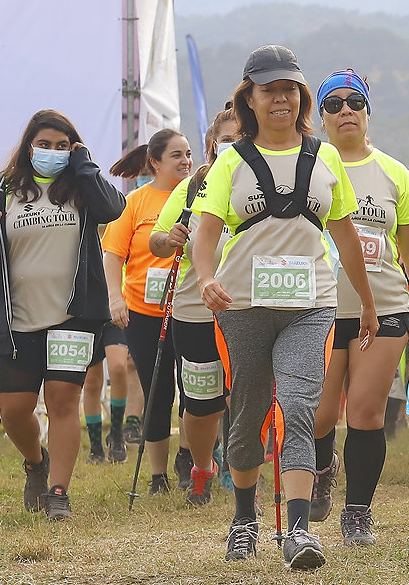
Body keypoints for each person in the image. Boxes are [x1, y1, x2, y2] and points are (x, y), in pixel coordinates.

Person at [193, 46, 378, 569]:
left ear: (300, 97)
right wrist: (205, 279)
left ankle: (297, 530)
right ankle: (245, 519)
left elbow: (345, 237)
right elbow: (205, 234)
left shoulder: (325, 159)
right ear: (248, 98)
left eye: (289, 88)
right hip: (242, 304)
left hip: (311, 304)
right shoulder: (229, 162)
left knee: (298, 408)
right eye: (268, 88)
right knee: (249, 412)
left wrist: (364, 302)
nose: (280, 97)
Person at [0, 110, 126, 521]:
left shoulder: (83, 188)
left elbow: (113, 207)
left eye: (62, 146)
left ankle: (58, 491)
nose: (52, 152)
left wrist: (84, 162)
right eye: (44, 144)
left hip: (73, 318)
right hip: (16, 319)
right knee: (14, 410)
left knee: (62, 401)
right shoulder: (2, 190)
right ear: (28, 147)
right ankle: (36, 463)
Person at [309, 70, 409, 546]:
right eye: (334, 104)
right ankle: (323, 466)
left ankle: (358, 511)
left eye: (355, 103)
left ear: (366, 113)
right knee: (320, 417)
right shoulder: (308, 166)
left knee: (365, 413)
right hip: (318, 308)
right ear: (320, 118)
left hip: (383, 307)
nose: (346, 111)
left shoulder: (392, 171)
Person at [150, 107, 238, 505]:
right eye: (227, 140)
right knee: (202, 403)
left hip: (247, 310)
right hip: (194, 311)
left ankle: (241, 466)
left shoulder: (268, 182)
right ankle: (203, 464)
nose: (235, 146)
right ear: (211, 146)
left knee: (244, 394)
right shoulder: (190, 189)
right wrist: (169, 239)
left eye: (243, 138)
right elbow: (155, 240)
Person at [103, 129, 194, 497]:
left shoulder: (201, 196)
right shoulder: (135, 202)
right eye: (176, 155)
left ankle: (188, 458)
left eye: (188, 154)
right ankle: (158, 476)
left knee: (194, 390)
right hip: (144, 312)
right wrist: (115, 298)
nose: (186, 161)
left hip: (190, 310)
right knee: (158, 394)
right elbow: (113, 254)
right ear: (155, 162)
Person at [82, 323, 140, 463]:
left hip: (114, 315)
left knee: (118, 368)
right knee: (91, 382)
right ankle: (96, 447)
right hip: (88, 316)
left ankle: (116, 434)